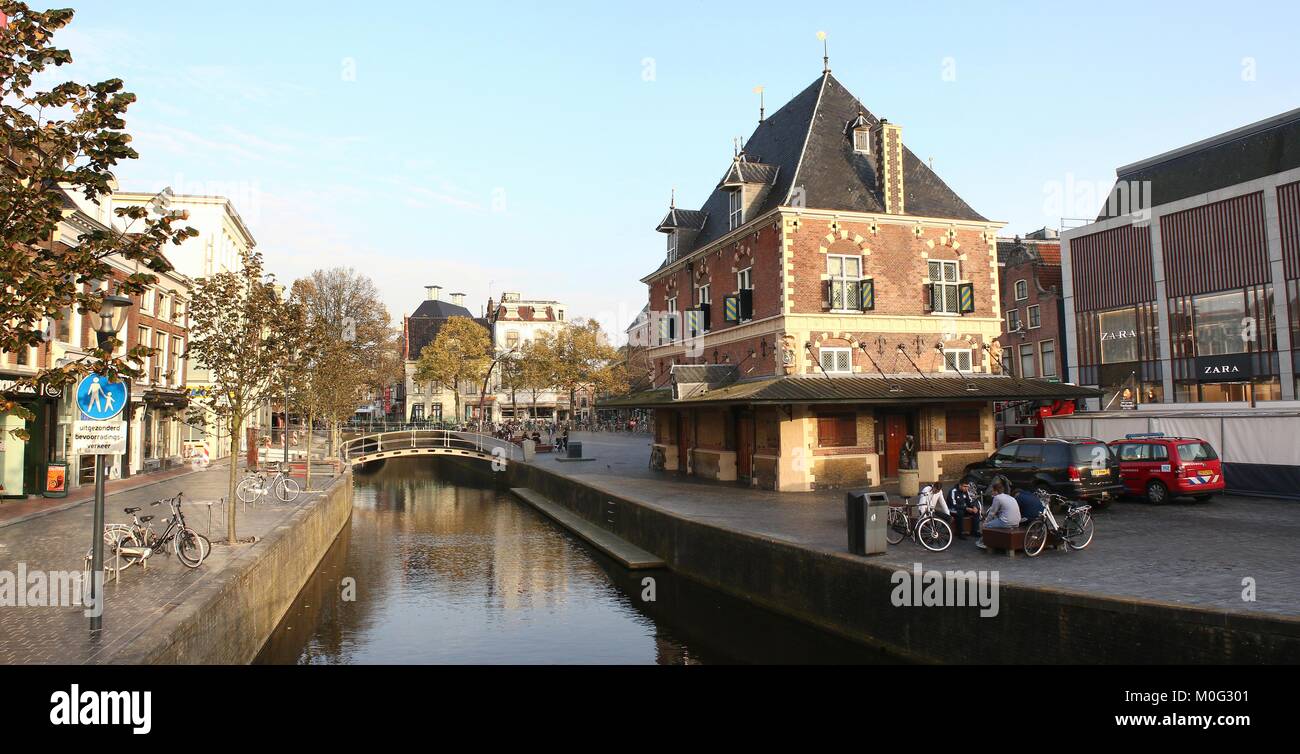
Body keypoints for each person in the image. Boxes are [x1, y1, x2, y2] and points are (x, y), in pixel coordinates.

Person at [977, 482, 1021, 550]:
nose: (992, 493)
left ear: (996, 491)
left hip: (1006, 522)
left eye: (992, 491)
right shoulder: (1010, 497)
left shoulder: (997, 498)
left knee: (986, 525)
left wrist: (986, 522)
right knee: (995, 522)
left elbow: (992, 513)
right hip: (1017, 522)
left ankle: (984, 543)